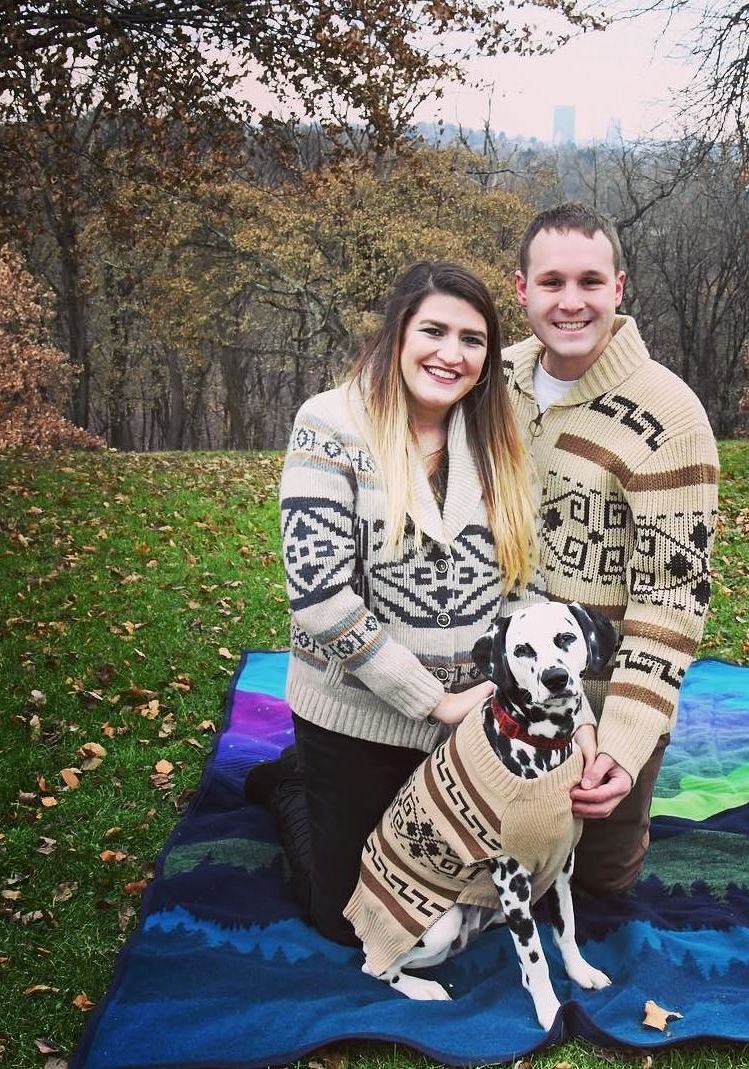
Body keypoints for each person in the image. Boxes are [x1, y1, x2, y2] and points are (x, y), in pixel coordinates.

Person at [247, 261, 545, 945]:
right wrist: (432, 701)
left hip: (474, 714)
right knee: (352, 920)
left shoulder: (498, 435)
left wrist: (501, 690)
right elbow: (318, 596)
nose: (452, 353)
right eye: (434, 330)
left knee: (483, 892)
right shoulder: (330, 424)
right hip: (358, 712)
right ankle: (292, 784)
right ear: (398, 331)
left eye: (473, 339)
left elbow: (521, 580)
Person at [502, 202, 720, 897]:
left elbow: (672, 603)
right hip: (491, 678)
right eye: (552, 282)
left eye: (590, 282)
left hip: (599, 692)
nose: (571, 302)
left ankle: (628, 814)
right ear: (521, 289)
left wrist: (623, 746)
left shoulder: (670, 417)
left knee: (597, 889)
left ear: (619, 288)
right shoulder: (489, 380)